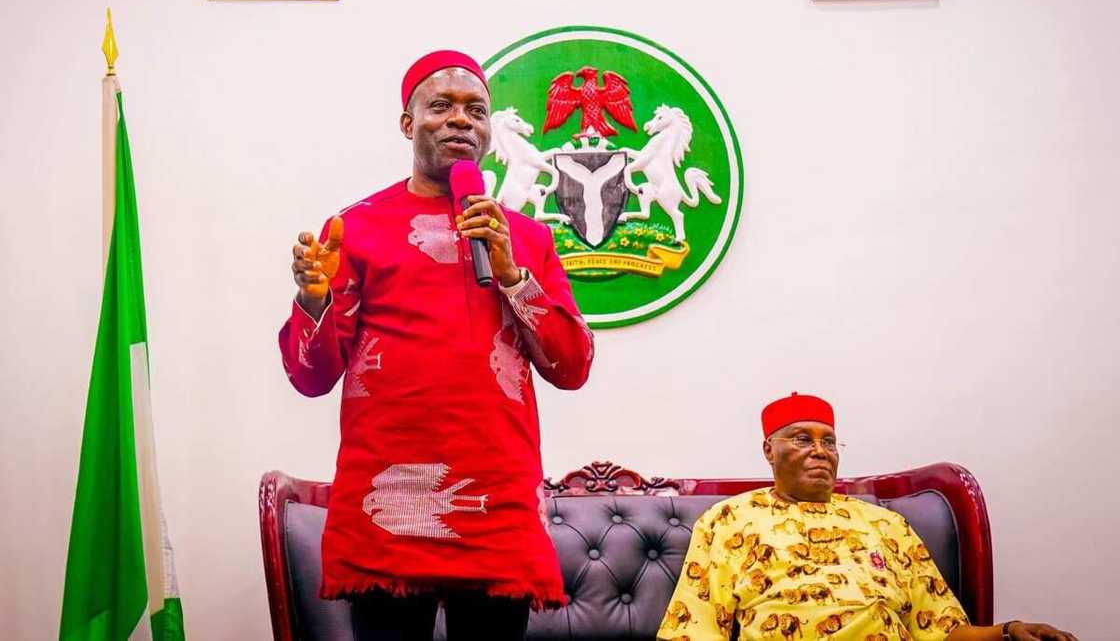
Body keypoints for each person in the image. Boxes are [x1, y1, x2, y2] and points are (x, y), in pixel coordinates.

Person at [279, 50, 595, 640]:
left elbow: (572, 366)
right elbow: (313, 376)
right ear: (407, 122)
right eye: (441, 106)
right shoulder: (357, 227)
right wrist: (316, 302)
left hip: (495, 502)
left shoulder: (523, 236)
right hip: (388, 500)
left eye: (476, 110)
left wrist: (511, 275)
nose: (460, 120)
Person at [657, 393, 1078, 641]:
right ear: (769, 450)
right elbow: (694, 629)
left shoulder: (885, 524)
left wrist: (1009, 631)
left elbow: (943, 630)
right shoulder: (730, 519)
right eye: (802, 439)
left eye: (830, 442)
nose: (820, 451)